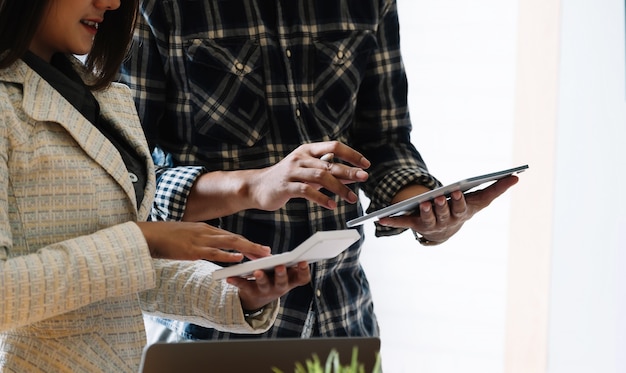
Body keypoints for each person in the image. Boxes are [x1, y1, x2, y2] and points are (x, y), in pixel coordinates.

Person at [120, 0, 519, 342]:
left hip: (345, 321)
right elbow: (123, 184)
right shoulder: (153, 6)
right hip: (213, 330)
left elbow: (385, 140)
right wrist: (254, 185)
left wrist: (422, 207)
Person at [0, 0, 311, 371]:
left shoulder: (89, 92)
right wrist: (144, 239)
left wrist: (237, 294)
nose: (112, 3)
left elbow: (123, 276)